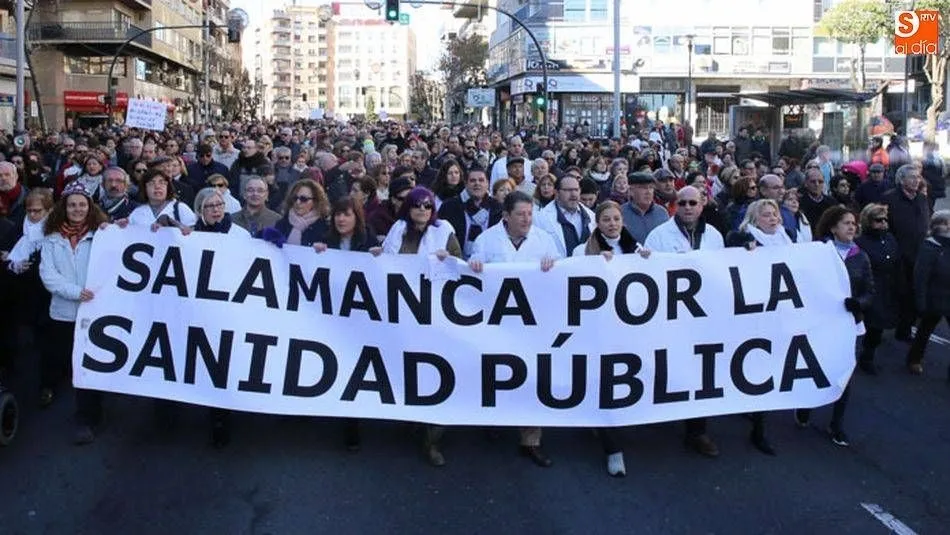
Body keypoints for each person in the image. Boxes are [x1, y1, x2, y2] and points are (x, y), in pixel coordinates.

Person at [469, 191, 561, 468]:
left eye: (530, 213)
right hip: (496, 321)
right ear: (506, 216)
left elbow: (565, 271)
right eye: (520, 214)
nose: (526, 219)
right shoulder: (486, 240)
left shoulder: (544, 240)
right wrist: (474, 266)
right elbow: (473, 273)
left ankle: (530, 439)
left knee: (532, 375)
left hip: (533, 322)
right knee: (497, 372)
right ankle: (494, 420)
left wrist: (554, 266)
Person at [378, 187, 461, 466]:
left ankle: (432, 440)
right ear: (408, 208)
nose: (422, 210)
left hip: (437, 315)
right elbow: (387, 265)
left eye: (427, 205)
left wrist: (447, 260)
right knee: (409, 369)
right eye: (417, 205)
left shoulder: (444, 229)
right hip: (404, 314)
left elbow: (459, 267)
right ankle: (411, 419)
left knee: (436, 373)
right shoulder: (398, 229)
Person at [644, 186, 723, 457]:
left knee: (700, 372)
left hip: (702, 317)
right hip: (669, 314)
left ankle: (697, 431)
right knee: (667, 366)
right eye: (683, 203)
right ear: (675, 206)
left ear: (702, 205)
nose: (688, 207)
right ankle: (660, 412)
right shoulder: (659, 236)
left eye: (693, 202)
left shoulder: (714, 236)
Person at [575, 200, 651, 476]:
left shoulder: (637, 249)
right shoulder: (582, 249)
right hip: (598, 331)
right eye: (606, 219)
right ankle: (613, 449)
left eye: (616, 219)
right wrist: (593, 264)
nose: (612, 224)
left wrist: (650, 262)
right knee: (604, 385)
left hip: (630, 330)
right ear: (598, 223)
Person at [795, 206, 873, 447]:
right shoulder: (818, 254)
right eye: (846, 223)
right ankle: (806, 404)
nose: (852, 227)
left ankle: (836, 424)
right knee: (814, 366)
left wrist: (857, 303)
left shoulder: (861, 256)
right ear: (832, 227)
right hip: (821, 324)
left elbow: (870, 290)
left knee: (846, 373)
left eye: (854, 223)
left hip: (851, 325)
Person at [38, 181, 108, 444]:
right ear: (63, 208)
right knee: (69, 361)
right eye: (72, 205)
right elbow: (48, 276)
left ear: (90, 207)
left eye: (82, 204)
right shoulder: (52, 238)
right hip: (65, 312)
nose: (77, 209)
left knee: (89, 365)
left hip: (95, 312)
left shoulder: (102, 234)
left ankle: (87, 417)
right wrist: (76, 291)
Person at [882, 164, 930, 342]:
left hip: (919, 254)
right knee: (900, 293)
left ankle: (905, 329)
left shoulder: (921, 198)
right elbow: (883, 226)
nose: (916, 180)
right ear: (901, 180)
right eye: (912, 177)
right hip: (899, 255)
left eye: (918, 177)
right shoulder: (889, 199)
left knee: (915, 294)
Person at [854, 203, 901, 375]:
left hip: (887, 288)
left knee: (877, 327)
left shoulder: (889, 238)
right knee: (865, 324)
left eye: (884, 220)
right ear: (868, 221)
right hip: (868, 289)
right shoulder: (859, 243)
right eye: (878, 220)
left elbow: (897, 261)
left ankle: (868, 356)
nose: (883, 223)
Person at [906, 210, 950, 378]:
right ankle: (914, 360)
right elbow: (921, 276)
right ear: (942, 225)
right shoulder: (930, 246)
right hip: (934, 299)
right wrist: (921, 302)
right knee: (924, 331)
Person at [437, 166, 502, 259]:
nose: (477, 184)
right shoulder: (449, 207)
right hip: (456, 263)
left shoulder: (498, 208)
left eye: (481, 180)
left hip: (489, 265)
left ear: (487, 183)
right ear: (466, 184)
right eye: (472, 180)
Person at [535, 175, 596, 258]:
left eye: (576, 190)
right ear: (556, 193)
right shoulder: (541, 218)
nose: (574, 194)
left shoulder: (591, 216)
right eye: (568, 190)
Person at [261, 179, 329, 247]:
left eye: (303, 199)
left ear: (315, 201)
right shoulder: (282, 223)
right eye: (295, 198)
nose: (298, 202)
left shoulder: (326, 228)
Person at [127, 169, 198, 229]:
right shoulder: (137, 213)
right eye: (152, 183)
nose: (157, 186)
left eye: (162, 183)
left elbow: (195, 234)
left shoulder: (181, 209)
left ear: (167, 187)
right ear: (145, 188)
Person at [620, 171, 669, 244]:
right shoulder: (620, 213)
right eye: (643, 188)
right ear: (631, 191)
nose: (648, 192)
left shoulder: (662, 213)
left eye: (651, 187)